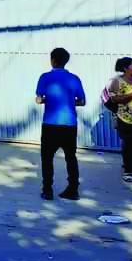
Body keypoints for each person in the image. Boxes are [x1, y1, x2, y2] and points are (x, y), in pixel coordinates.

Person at [35, 47, 86, 200]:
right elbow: (82, 101)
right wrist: (69, 101)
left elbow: (38, 99)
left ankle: (47, 190)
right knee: (71, 157)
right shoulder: (74, 78)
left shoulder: (45, 77)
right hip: (69, 124)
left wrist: (46, 100)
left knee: (47, 158)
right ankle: (73, 189)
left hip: (50, 124)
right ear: (65, 61)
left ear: (52, 60)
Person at [107, 57, 132, 182]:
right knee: (129, 145)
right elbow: (113, 99)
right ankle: (128, 170)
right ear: (125, 68)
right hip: (126, 119)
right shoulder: (116, 81)